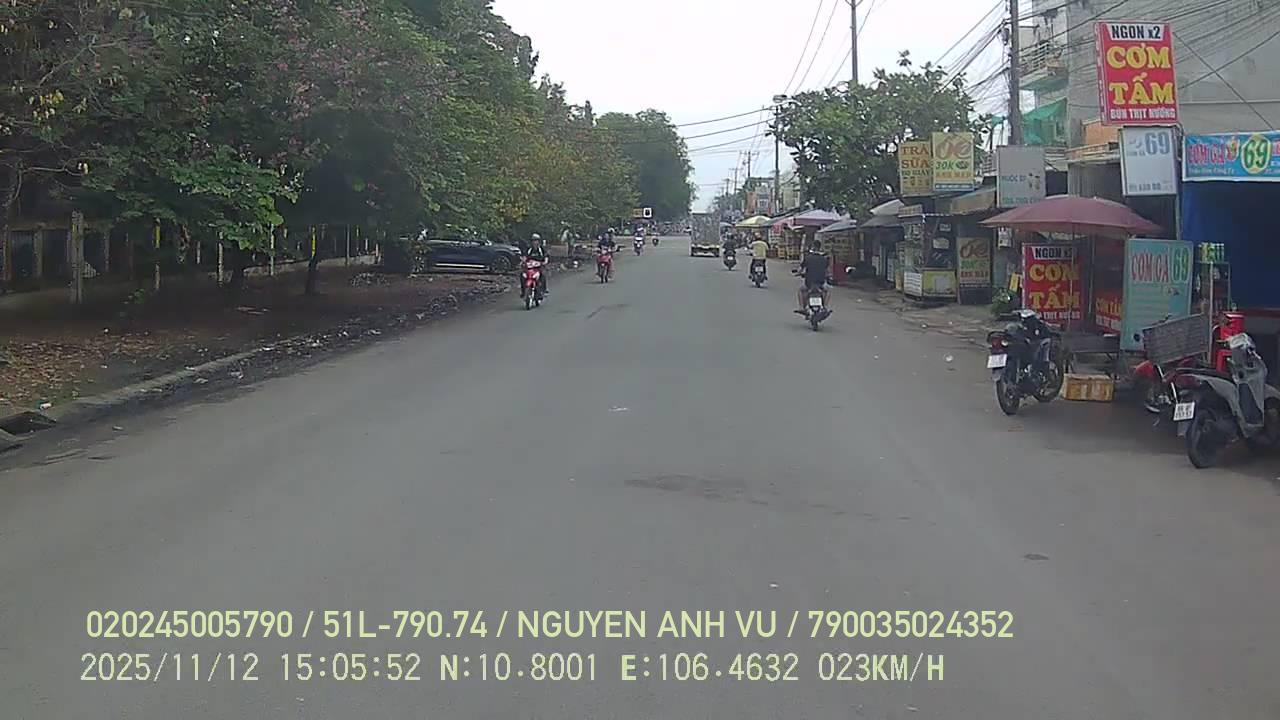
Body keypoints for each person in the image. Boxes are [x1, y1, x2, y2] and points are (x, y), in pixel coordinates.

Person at [795, 238, 831, 316]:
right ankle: (825, 307)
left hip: (809, 283)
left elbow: (800, 269)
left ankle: (801, 307)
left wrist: (798, 273)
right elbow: (828, 271)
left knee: (800, 290)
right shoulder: (824, 259)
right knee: (827, 291)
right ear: (820, 247)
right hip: (820, 283)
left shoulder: (808, 258)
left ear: (813, 247)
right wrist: (828, 276)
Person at [521, 233, 549, 298]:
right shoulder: (529, 249)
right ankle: (523, 291)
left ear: (539, 241)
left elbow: (546, 256)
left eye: (536, 240)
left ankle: (544, 290)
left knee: (543, 275)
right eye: (533, 240)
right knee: (522, 276)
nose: (534, 242)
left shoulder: (541, 249)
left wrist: (545, 262)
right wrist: (523, 261)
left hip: (539, 267)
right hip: (529, 267)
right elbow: (525, 256)